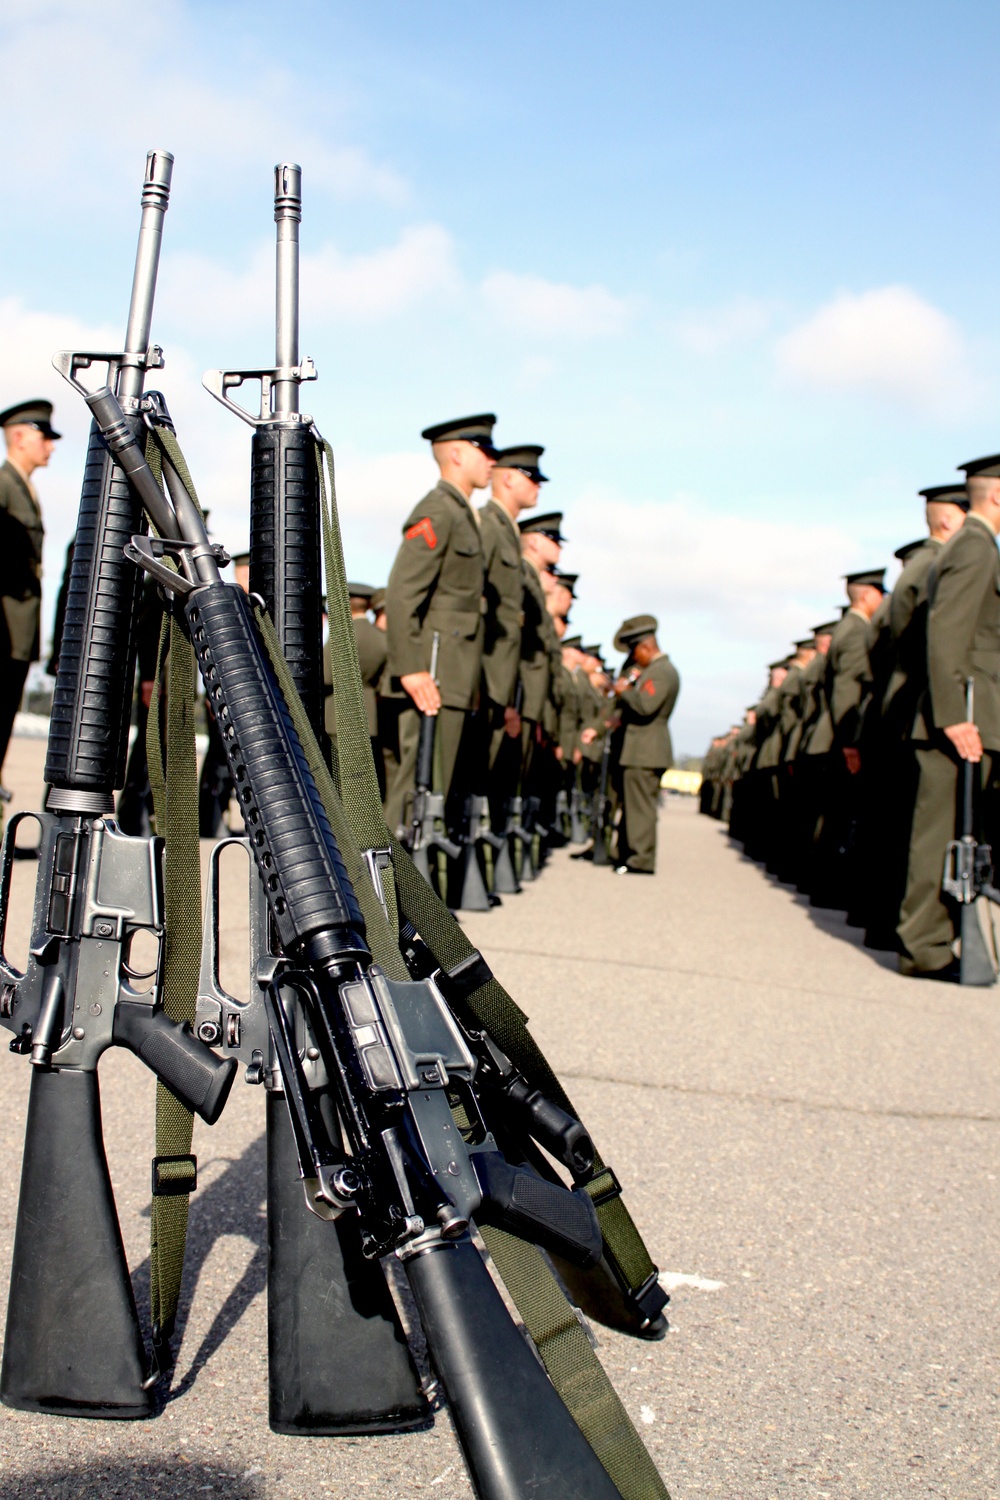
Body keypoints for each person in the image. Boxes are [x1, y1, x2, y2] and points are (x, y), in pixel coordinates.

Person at [898, 455, 1000, 979]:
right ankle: (926, 947)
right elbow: (948, 633)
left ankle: (933, 941)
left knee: (947, 834)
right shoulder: (978, 548)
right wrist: (954, 716)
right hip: (964, 717)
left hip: (967, 711)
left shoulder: (971, 545)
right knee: (940, 835)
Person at [384, 414, 496, 835]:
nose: (491, 461)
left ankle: (414, 893)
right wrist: (410, 667)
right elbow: (402, 591)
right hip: (433, 670)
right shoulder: (438, 510)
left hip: (453, 673)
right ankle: (386, 894)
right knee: (415, 787)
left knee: (434, 791)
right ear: (455, 454)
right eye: (483, 451)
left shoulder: (464, 514)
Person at [479, 445, 543, 827]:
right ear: (506, 477)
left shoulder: (506, 532)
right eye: (530, 477)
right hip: (484, 677)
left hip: (501, 682)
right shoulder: (489, 525)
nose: (537, 486)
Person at [0, 399, 59, 789]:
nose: (51, 447)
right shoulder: (4, 487)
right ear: (19, 437)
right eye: (45, 437)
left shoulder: (24, 489)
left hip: (19, 637)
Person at [611, 614, 680, 875]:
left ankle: (640, 859)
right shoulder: (657, 670)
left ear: (646, 647)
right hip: (642, 750)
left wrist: (625, 692)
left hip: (646, 750)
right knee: (634, 806)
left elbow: (645, 706)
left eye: (634, 650)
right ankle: (629, 854)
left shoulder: (661, 672)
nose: (633, 658)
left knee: (641, 808)